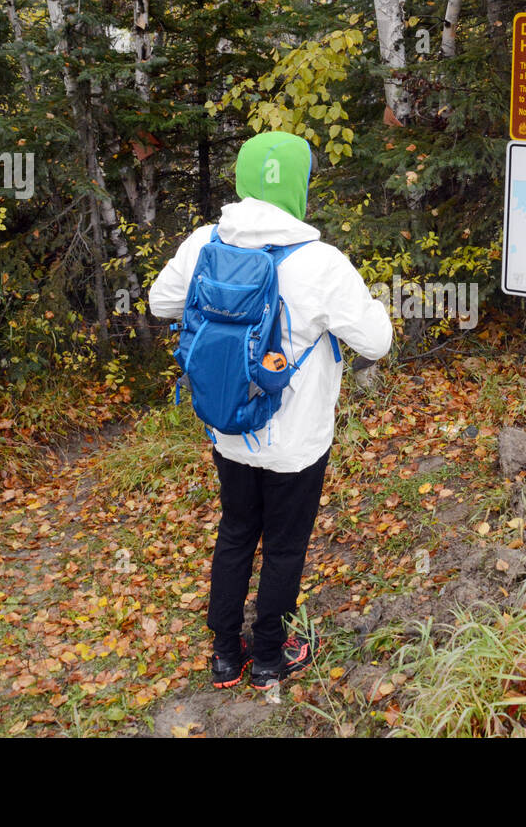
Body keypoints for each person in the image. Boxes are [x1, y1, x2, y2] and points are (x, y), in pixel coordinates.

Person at [149, 131, 392, 691]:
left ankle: (223, 655)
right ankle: (267, 658)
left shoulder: (203, 243)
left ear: (242, 179)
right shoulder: (322, 262)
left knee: (236, 530)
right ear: (301, 187)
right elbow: (376, 342)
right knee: (284, 545)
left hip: (228, 424)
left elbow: (162, 302)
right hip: (297, 440)